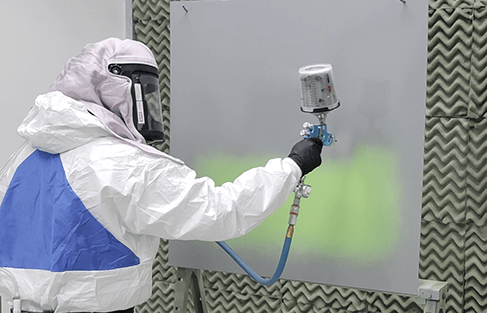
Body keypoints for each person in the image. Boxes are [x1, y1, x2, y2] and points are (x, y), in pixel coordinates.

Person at [0, 38, 323, 313]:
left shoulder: (22, 158)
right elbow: (221, 209)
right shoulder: (122, 164)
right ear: (117, 89)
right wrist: (293, 165)